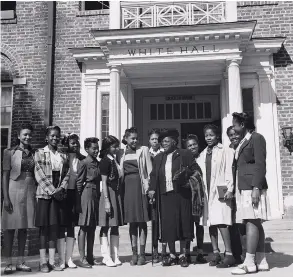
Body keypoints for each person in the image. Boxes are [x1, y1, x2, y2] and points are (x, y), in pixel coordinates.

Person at [149, 129, 195, 268]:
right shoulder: (159, 157)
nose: (164, 144)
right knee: (168, 225)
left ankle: (182, 255)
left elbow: (196, 170)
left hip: (181, 194)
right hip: (165, 195)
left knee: (182, 223)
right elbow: (153, 175)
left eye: (167, 141)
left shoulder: (185, 154)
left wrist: (189, 182)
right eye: (162, 142)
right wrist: (151, 189)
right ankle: (172, 254)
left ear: (174, 142)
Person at [231, 113, 270, 275]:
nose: (233, 127)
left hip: (252, 187)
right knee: (255, 222)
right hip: (245, 186)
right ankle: (261, 260)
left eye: (235, 124)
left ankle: (249, 262)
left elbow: (261, 164)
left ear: (242, 124)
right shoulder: (243, 141)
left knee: (251, 222)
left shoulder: (257, 138)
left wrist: (256, 187)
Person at [197, 124, 235, 268]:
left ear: (217, 136)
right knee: (211, 222)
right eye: (206, 135)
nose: (208, 138)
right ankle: (216, 252)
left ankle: (229, 254)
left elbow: (228, 171)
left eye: (211, 135)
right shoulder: (202, 154)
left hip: (221, 189)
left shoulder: (226, 150)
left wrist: (229, 188)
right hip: (207, 192)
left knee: (222, 222)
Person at [34, 126, 70, 273]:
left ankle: (52, 261)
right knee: (44, 228)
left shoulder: (63, 155)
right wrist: (52, 191)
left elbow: (67, 173)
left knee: (55, 227)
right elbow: (39, 173)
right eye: (52, 136)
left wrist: (61, 189)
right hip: (44, 194)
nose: (55, 138)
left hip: (58, 195)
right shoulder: (39, 153)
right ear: (46, 138)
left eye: (57, 136)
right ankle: (42, 262)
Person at [2, 124, 36, 274]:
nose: (27, 137)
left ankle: (21, 262)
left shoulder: (34, 153)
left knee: (23, 228)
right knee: (10, 229)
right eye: (25, 135)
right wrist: (6, 198)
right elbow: (4, 176)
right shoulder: (9, 152)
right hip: (13, 190)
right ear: (18, 136)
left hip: (29, 191)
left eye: (29, 135)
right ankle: (8, 263)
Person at [120, 127, 152, 266]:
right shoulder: (122, 153)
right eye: (132, 138)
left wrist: (150, 189)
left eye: (136, 138)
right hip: (128, 189)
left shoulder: (143, 150)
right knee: (132, 222)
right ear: (126, 139)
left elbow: (149, 171)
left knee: (142, 221)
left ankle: (142, 254)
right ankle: (134, 254)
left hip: (141, 187)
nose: (135, 140)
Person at [59, 133, 85, 269]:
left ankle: (69, 258)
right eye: (72, 143)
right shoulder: (62, 158)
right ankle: (60, 259)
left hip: (75, 194)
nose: (75, 145)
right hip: (62, 194)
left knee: (71, 226)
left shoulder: (82, 159)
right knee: (60, 225)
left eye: (77, 143)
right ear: (67, 144)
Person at [99, 135, 124, 267]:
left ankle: (115, 255)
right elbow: (103, 182)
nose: (116, 148)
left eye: (117, 146)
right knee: (105, 225)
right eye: (114, 146)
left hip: (116, 194)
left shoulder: (114, 159)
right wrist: (107, 201)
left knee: (115, 225)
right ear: (107, 147)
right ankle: (106, 256)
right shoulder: (105, 161)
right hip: (108, 194)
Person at [76, 137, 100, 268]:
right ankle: (82, 258)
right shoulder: (84, 162)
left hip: (96, 194)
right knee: (84, 226)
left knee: (92, 226)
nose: (96, 150)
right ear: (86, 149)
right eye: (94, 148)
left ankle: (90, 256)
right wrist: (78, 201)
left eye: (97, 148)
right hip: (86, 194)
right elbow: (79, 182)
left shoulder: (97, 163)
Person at [185, 134, 208, 264]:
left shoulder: (203, 157)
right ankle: (187, 252)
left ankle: (200, 252)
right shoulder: (184, 160)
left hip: (200, 196)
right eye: (189, 145)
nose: (192, 147)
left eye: (194, 144)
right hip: (188, 196)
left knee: (199, 225)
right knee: (188, 225)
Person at [226, 126, 247, 264]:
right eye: (230, 135)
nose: (233, 137)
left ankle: (246, 254)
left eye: (235, 134)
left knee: (243, 223)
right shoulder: (227, 150)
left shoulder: (244, 148)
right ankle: (235, 253)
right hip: (230, 190)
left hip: (243, 188)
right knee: (231, 223)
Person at [148, 129, 166, 263]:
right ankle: (155, 249)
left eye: (156, 139)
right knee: (154, 220)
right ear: (149, 141)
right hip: (151, 190)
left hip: (163, 189)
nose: (155, 141)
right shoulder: (146, 153)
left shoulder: (164, 153)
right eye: (152, 139)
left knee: (164, 220)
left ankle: (164, 249)